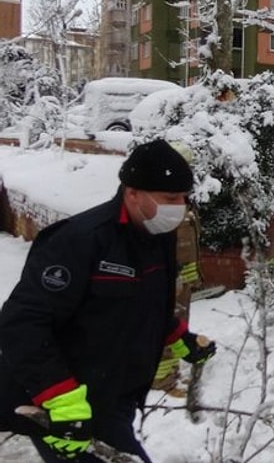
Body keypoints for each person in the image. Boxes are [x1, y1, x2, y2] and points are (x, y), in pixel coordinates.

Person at [0, 139, 217, 462]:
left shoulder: (156, 235)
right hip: (62, 400)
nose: (180, 207)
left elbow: (138, 302)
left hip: (114, 394)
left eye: (184, 198)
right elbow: (21, 324)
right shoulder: (79, 241)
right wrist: (61, 399)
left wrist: (177, 335)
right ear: (132, 193)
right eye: (170, 198)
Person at [151, 143, 203, 395]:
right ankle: (163, 379)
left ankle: (170, 372)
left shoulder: (180, 199)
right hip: (169, 279)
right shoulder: (159, 203)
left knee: (178, 325)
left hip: (183, 278)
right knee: (165, 326)